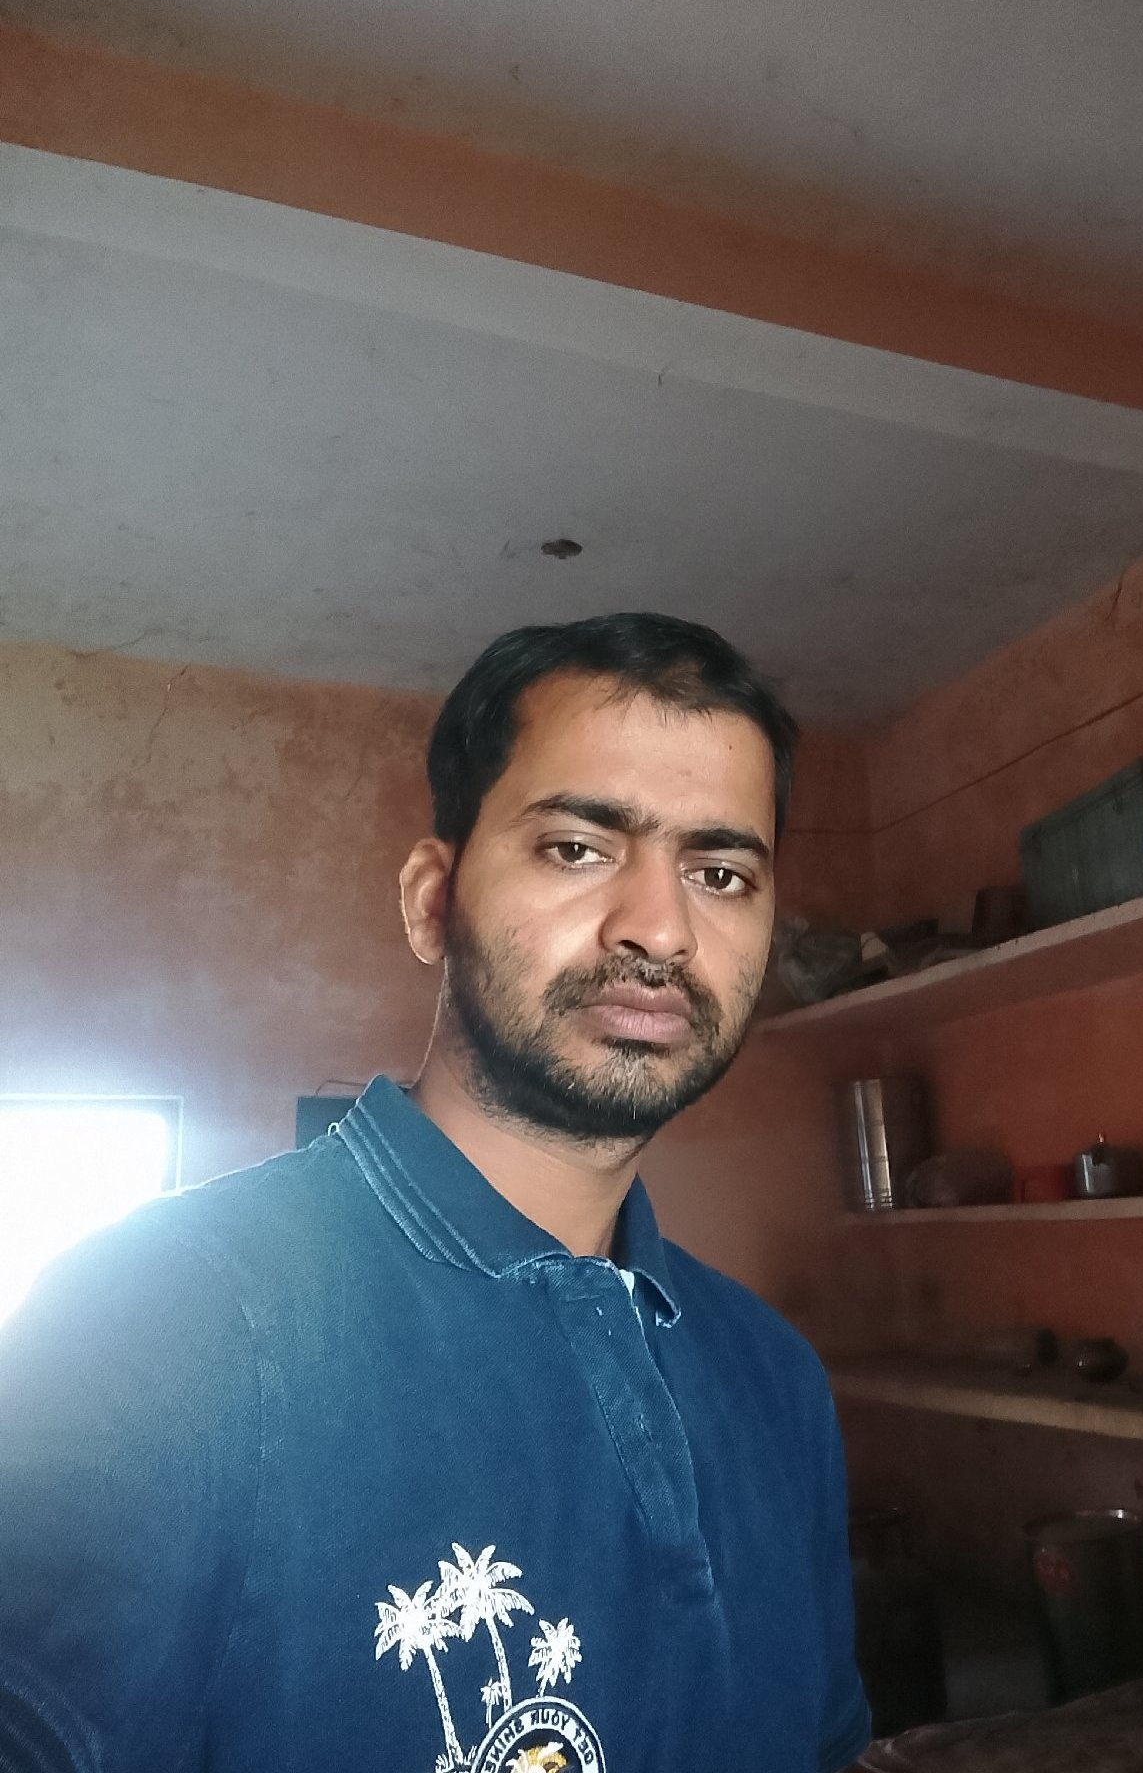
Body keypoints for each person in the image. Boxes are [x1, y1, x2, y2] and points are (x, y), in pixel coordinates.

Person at [0, 613, 871, 1773]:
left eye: (719, 874)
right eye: (578, 848)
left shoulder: (776, 1377)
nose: (660, 930)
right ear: (430, 900)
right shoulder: (158, 1329)